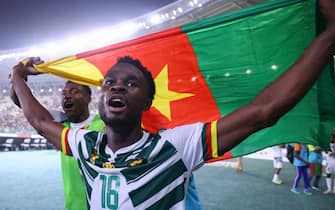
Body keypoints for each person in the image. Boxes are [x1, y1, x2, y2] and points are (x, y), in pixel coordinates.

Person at [9, 1, 335, 208]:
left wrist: (329, 36)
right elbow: (38, 121)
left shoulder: (176, 146)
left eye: (130, 83)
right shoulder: (85, 144)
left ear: (147, 101)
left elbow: (265, 110)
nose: (116, 86)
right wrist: (17, 76)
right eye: (109, 82)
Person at [11, 80, 203, 210]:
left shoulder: (103, 125)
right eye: (64, 93)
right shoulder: (63, 127)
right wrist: (18, 78)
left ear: (89, 98)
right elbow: (28, 109)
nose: (66, 96)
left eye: (74, 91)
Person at [323, 129, 335, 195]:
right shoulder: (329, 139)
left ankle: (334, 189)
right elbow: (326, 148)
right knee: (328, 173)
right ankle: (329, 189)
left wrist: (333, 153)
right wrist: (326, 151)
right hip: (330, 159)